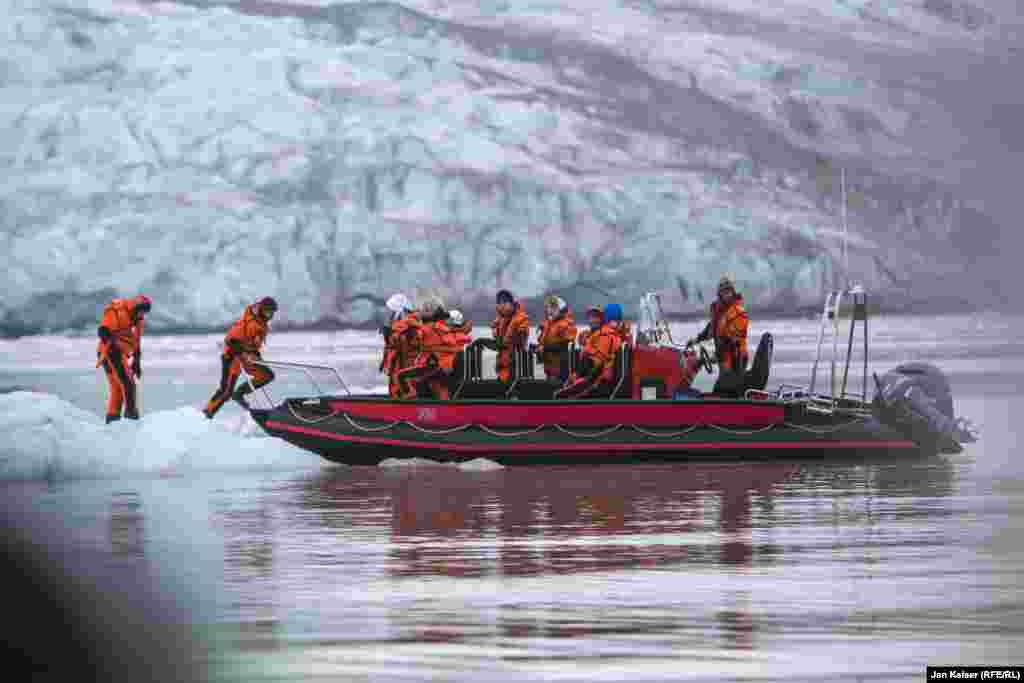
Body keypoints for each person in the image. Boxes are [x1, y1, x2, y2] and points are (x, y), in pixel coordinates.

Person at [203, 297, 278, 419]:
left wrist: (254, 355)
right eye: (267, 311)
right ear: (260, 309)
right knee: (226, 391)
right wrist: (243, 352)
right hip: (232, 357)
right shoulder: (249, 322)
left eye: (271, 312)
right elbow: (230, 340)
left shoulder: (261, 324)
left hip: (247, 357)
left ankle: (239, 393)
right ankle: (207, 414)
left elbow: (253, 345)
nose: (269, 315)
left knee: (266, 375)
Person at [397, 299, 471, 400]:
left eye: (426, 310)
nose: (423, 312)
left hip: (435, 366)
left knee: (402, 376)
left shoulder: (430, 328)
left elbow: (416, 339)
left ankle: (411, 402)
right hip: (442, 367)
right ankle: (424, 401)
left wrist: (408, 329)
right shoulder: (445, 330)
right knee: (435, 387)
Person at [689, 274, 749, 397]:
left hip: (735, 361)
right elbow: (711, 329)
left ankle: (732, 405)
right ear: (720, 293)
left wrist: (713, 354)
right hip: (724, 359)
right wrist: (696, 340)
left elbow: (733, 339)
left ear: (733, 292)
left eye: (729, 291)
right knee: (722, 388)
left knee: (724, 390)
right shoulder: (719, 311)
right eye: (724, 291)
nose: (727, 294)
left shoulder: (738, 313)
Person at [96, 295, 151, 423]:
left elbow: (136, 340)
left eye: (144, 312)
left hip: (112, 353)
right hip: (109, 351)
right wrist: (108, 339)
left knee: (117, 389)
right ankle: (131, 419)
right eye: (141, 311)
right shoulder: (116, 311)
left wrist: (136, 361)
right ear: (134, 307)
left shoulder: (138, 319)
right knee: (128, 383)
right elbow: (103, 329)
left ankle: (112, 422)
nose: (142, 314)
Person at [556, 305, 622, 399]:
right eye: (591, 317)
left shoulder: (606, 335)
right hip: (591, 375)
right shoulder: (594, 335)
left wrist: (583, 378)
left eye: (596, 317)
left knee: (562, 396)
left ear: (602, 319)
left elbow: (597, 363)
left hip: (598, 380)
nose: (593, 320)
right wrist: (576, 375)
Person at [486, 290, 530, 384]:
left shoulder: (521, 318)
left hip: (516, 363)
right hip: (502, 363)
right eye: (499, 303)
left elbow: (521, 337)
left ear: (511, 303)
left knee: (513, 391)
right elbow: (498, 341)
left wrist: (514, 338)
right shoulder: (498, 320)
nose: (502, 305)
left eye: (505, 302)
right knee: (501, 391)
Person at [380, 293, 419, 399]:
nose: (390, 316)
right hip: (398, 368)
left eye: (392, 312)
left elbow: (405, 346)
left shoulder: (410, 328)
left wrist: (391, 336)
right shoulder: (400, 329)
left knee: (405, 387)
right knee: (396, 387)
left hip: (406, 368)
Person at [535, 295, 577, 383]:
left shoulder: (566, 323)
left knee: (557, 390)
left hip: (561, 369)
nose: (550, 310)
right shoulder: (547, 325)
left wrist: (545, 348)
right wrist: (538, 348)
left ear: (561, 309)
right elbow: (544, 342)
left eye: (554, 307)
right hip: (549, 367)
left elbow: (565, 345)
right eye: (549, 307)